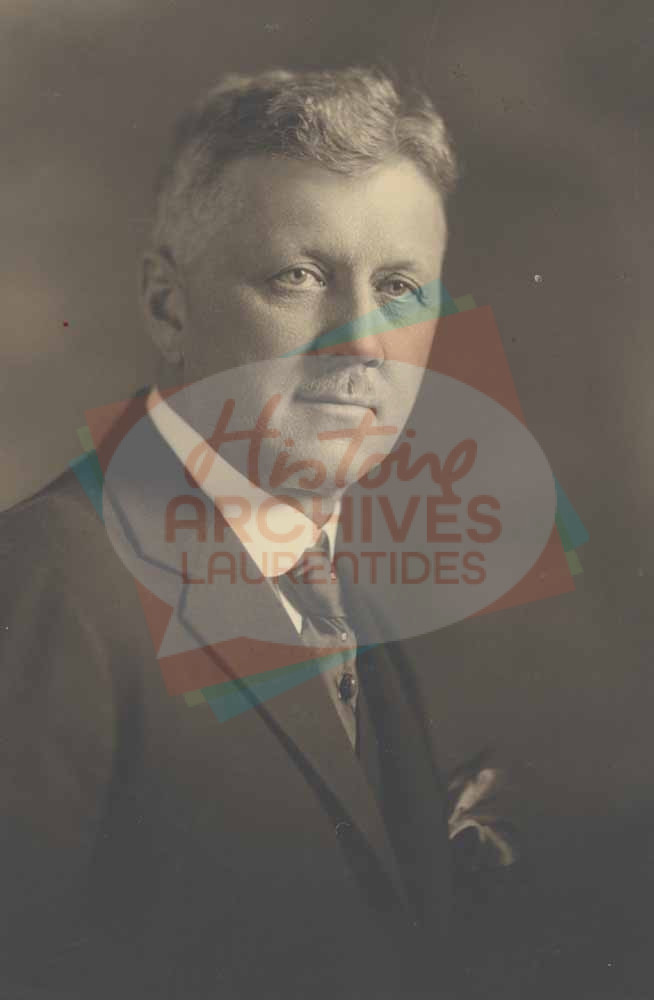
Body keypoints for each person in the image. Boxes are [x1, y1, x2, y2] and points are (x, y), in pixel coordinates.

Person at [0, 68, 511, 999]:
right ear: (168, 305)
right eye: (299, 277)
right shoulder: (50, 576)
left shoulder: (338, 588)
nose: (362, 343)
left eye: (400, 286)